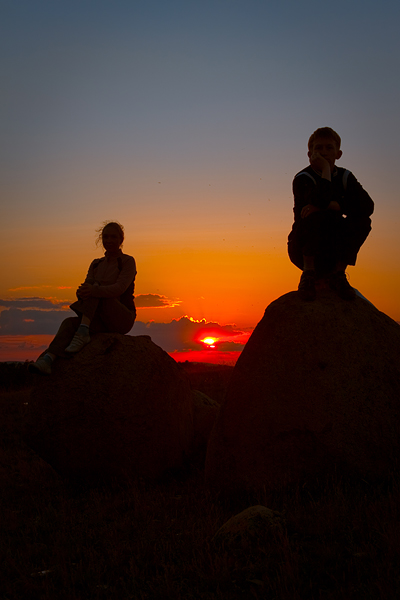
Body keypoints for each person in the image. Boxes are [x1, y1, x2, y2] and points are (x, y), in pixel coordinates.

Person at [29, 221, 137, 375]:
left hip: (121, 317)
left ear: (121, 240)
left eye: (113, 237)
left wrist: (93, 289)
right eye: (105, 237)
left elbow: (119, 288)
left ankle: (83, 331)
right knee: (68, 323)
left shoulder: (127, 261)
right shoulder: (96, 264)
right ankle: (48, 359)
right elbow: (87, 291)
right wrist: (82, 292)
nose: (109, 240)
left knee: (95, 288)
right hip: (98, 318)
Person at [287, 127, 374, 301]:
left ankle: (338, 275)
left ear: (338, 153)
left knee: (362, 221)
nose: (324, 152)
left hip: (334, 246)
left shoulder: (345, 177)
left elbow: (367, 206)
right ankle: (308, 275)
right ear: (310, 153)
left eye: (329, 148)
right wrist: (326, 170)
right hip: (304, 247)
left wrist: (334, 205)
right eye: (318, 148)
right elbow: (318, 200)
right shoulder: (303, 178)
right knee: (317, 216)